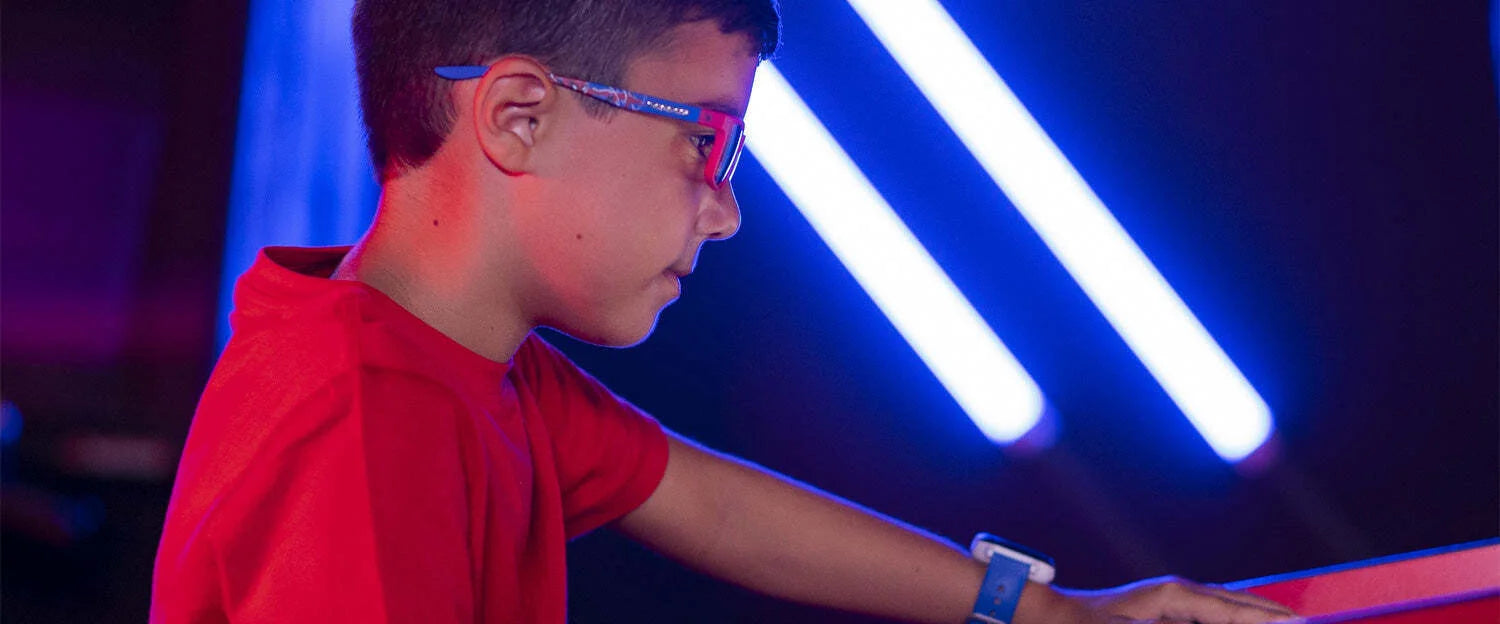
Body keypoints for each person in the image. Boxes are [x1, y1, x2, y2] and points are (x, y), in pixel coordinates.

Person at [151, 1, 1301, 622]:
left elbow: (711, 505)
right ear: (518, 119)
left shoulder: (465, 369)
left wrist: (1063, 621)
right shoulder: (365, 419)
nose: (725, 210)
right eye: (704, 139)